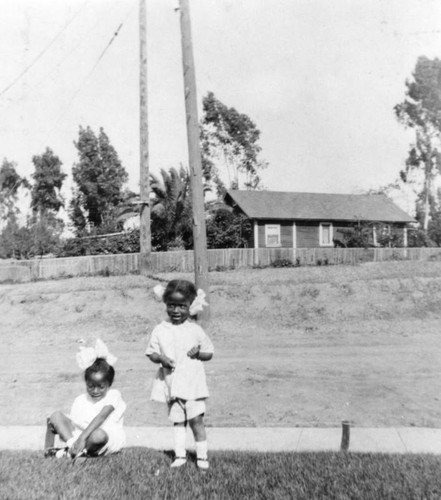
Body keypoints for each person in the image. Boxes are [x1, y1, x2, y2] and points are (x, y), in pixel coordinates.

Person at [146, 279, 213, 470]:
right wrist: (161, 359)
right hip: (173, 384)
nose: (176, 311)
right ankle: (180, 455)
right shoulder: (160, 329)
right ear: (165, 305)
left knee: (196, 420)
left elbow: (209, 352)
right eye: (171, 306)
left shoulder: (195, 330)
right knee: (178, 421)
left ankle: (201, 457)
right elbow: (151, 352)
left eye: (182, 306)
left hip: (193, 384)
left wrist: (199, 354)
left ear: (190, 306)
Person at [44, 339, 126, 459]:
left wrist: (82, 438)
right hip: (79, 438)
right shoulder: (81, 400)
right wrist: (75, 439)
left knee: (98, 435)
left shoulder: (114, 395)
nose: (95, 391)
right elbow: (74, 423)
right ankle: (75, 451)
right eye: (91, 386)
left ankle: (69, 452)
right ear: (86, 382)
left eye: (101, 387)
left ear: (109, 384)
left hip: (103, 437)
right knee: (56, 416)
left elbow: (101, 417)